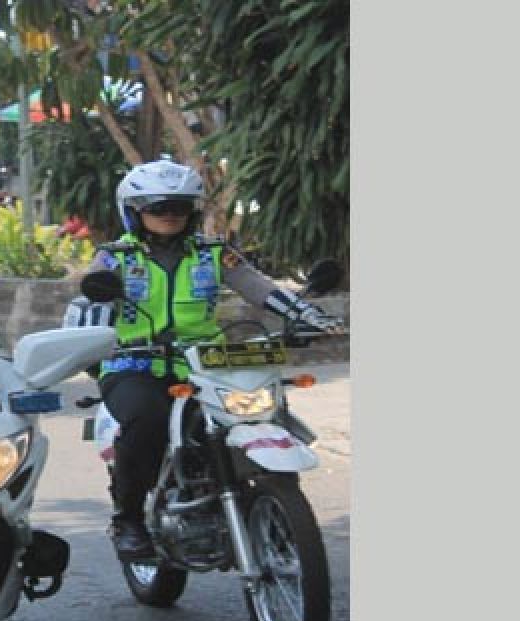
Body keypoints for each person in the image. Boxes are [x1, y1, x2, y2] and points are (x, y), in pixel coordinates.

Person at [80, 158, 344, 559]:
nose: (170, 215)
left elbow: (259, 287)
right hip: (136, 365)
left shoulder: (214, 253)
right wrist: (92, 346)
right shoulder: (115, 259)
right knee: (146, 419)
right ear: (134, 211)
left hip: (207, 363)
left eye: (180, 207)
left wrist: (310, 316)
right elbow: (89, 309)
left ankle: (271, 506)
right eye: (158, 207)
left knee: (264, 410)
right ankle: (128, 519)